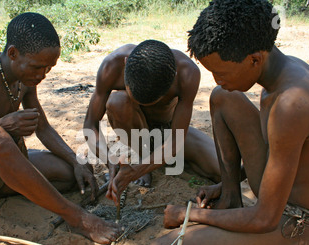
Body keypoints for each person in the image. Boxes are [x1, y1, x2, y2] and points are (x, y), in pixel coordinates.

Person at [148, 0, 309, 245]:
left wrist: (188, 214)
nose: (217, 79)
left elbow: (265, 218)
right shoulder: (288, 70)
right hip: (281, 194)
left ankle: (243, 227)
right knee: (224, 98)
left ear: (254, 59)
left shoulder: (291, 105)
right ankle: (231, 198)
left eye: (220, 72)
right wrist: (226, 183)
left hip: (303, 223)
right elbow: (286, 156)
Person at [0, 12, 122, 245]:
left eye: (49, 68)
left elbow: (42, 127)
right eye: (37, 67)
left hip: (3, 173)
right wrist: (0, 125)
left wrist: (76, 161)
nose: (42, 75)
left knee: (71, 173)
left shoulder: (24, 79)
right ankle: (77, 218)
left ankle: (13, 187)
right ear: (13, 53)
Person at [83, 39, 220, 205]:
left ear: (172, 78)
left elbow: (176, 140)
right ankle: (142, 154)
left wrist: (137, 169)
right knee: (117, 101)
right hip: (135, 133)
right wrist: (109, 161)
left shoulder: (187, 73)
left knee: (221, 170)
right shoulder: (112, 66)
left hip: (169, 132)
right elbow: (90, 125)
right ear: (126, 65)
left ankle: (154, 161)